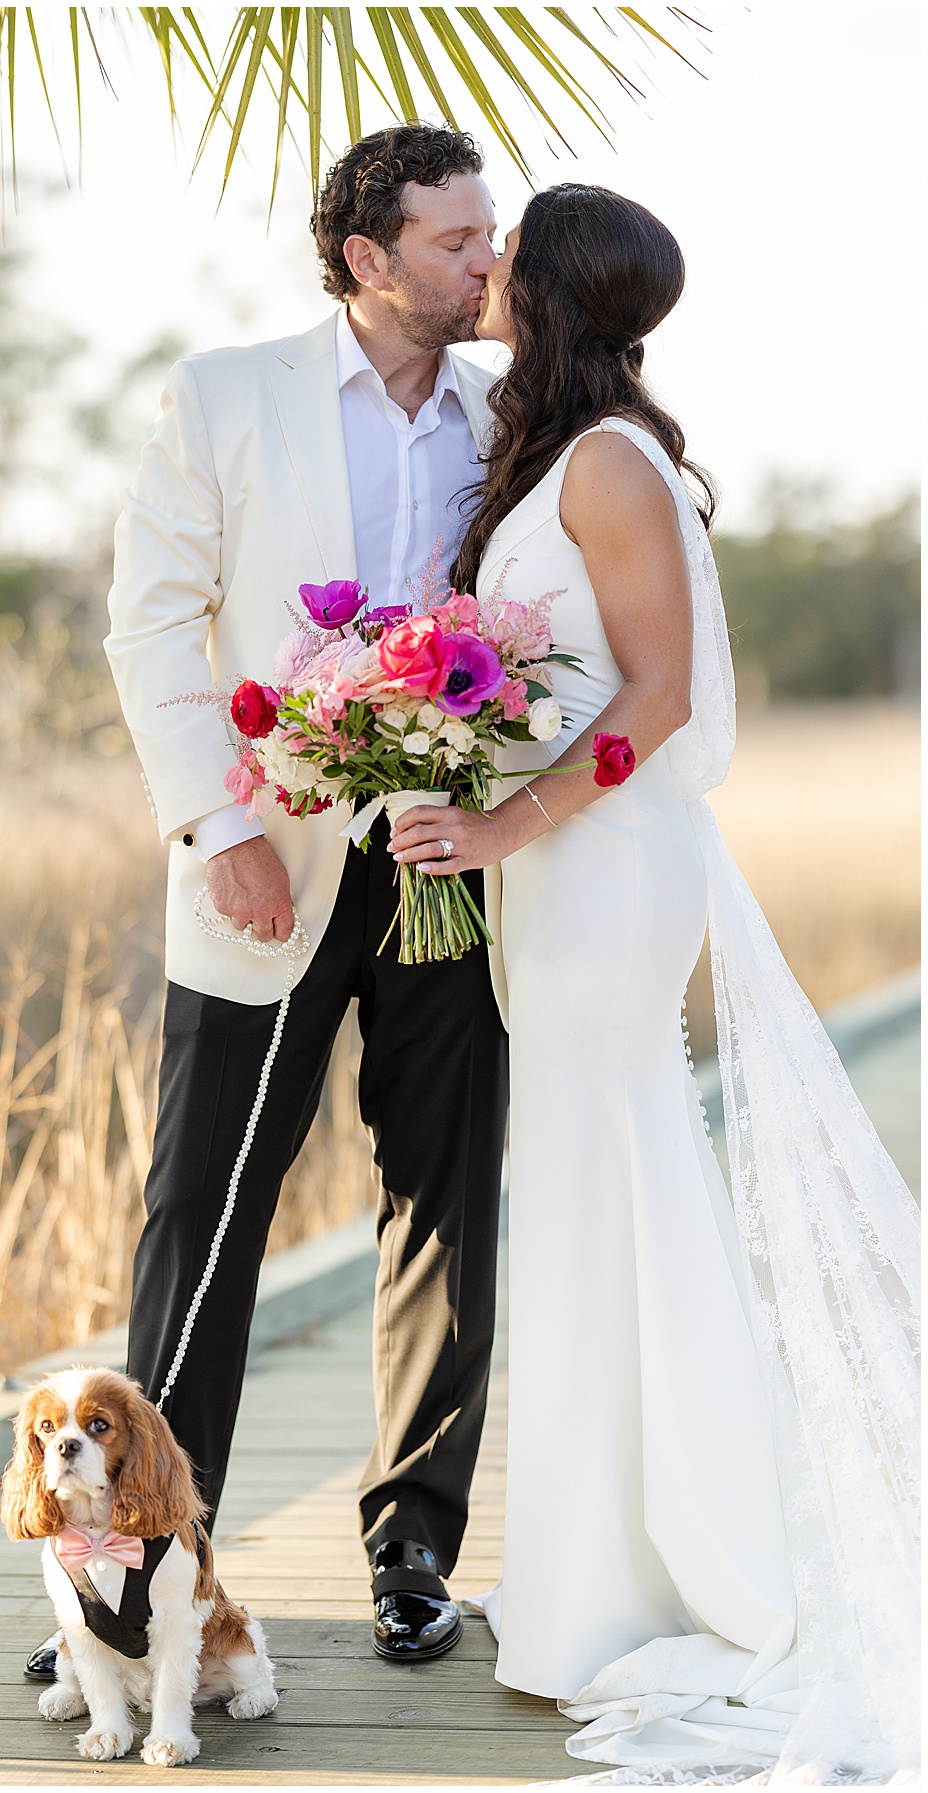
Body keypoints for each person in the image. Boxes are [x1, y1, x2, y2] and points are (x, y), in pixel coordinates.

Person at [390, 184, 919, 1781]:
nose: (480, 271)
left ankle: (663, 1574)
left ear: (550, 286)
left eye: (502, 252)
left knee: (608, 1179)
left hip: (604, 872)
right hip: (560, 873)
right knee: (580, 1194)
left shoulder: (611, 463)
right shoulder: (565, 451)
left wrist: (503, 815)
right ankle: (589, 1566)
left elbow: (661, 691)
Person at [24, 123, 508, 1683]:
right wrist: (213, 818)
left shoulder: (520, 417)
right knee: (203, 1217)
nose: (485, 262)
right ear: (369, 262)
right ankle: (130, 1577)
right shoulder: (228, 395)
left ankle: (415, 1549)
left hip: (456, 867)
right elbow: (150, 618)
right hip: (260, 867)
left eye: (486, 235)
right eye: (455, 241)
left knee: (447, 1198)